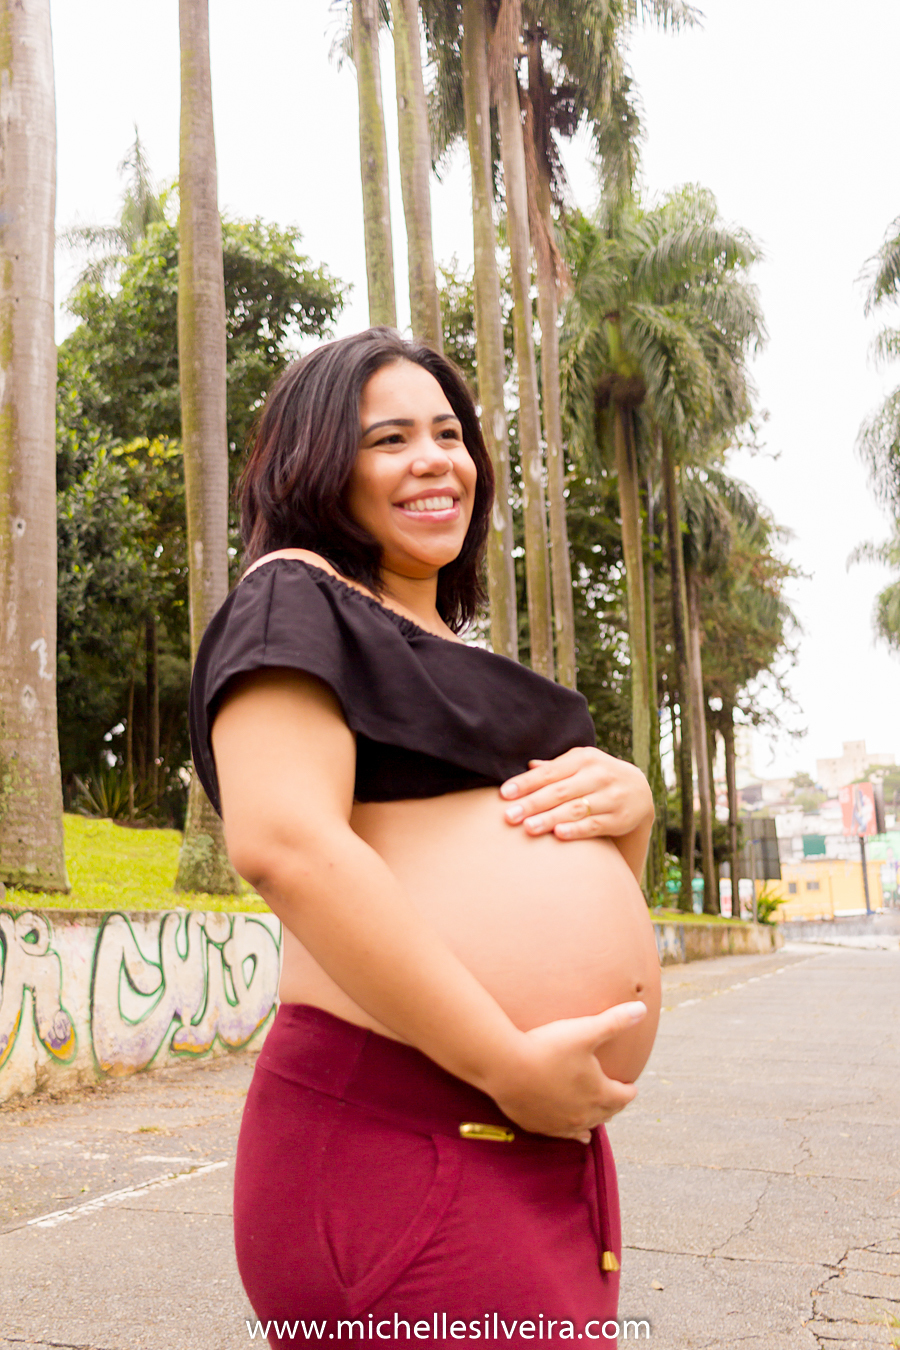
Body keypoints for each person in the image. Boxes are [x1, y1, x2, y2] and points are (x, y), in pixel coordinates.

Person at [189, 328, 661, 1348]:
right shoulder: (295, 595)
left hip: (532, 1130)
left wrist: (627, 813)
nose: (436, 460)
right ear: (317, 461)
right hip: (405, 1124)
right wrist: (506, 1063)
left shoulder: (453, 653)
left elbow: (551, 886)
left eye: (450, 434)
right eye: (390, 439)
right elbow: (286, 846)